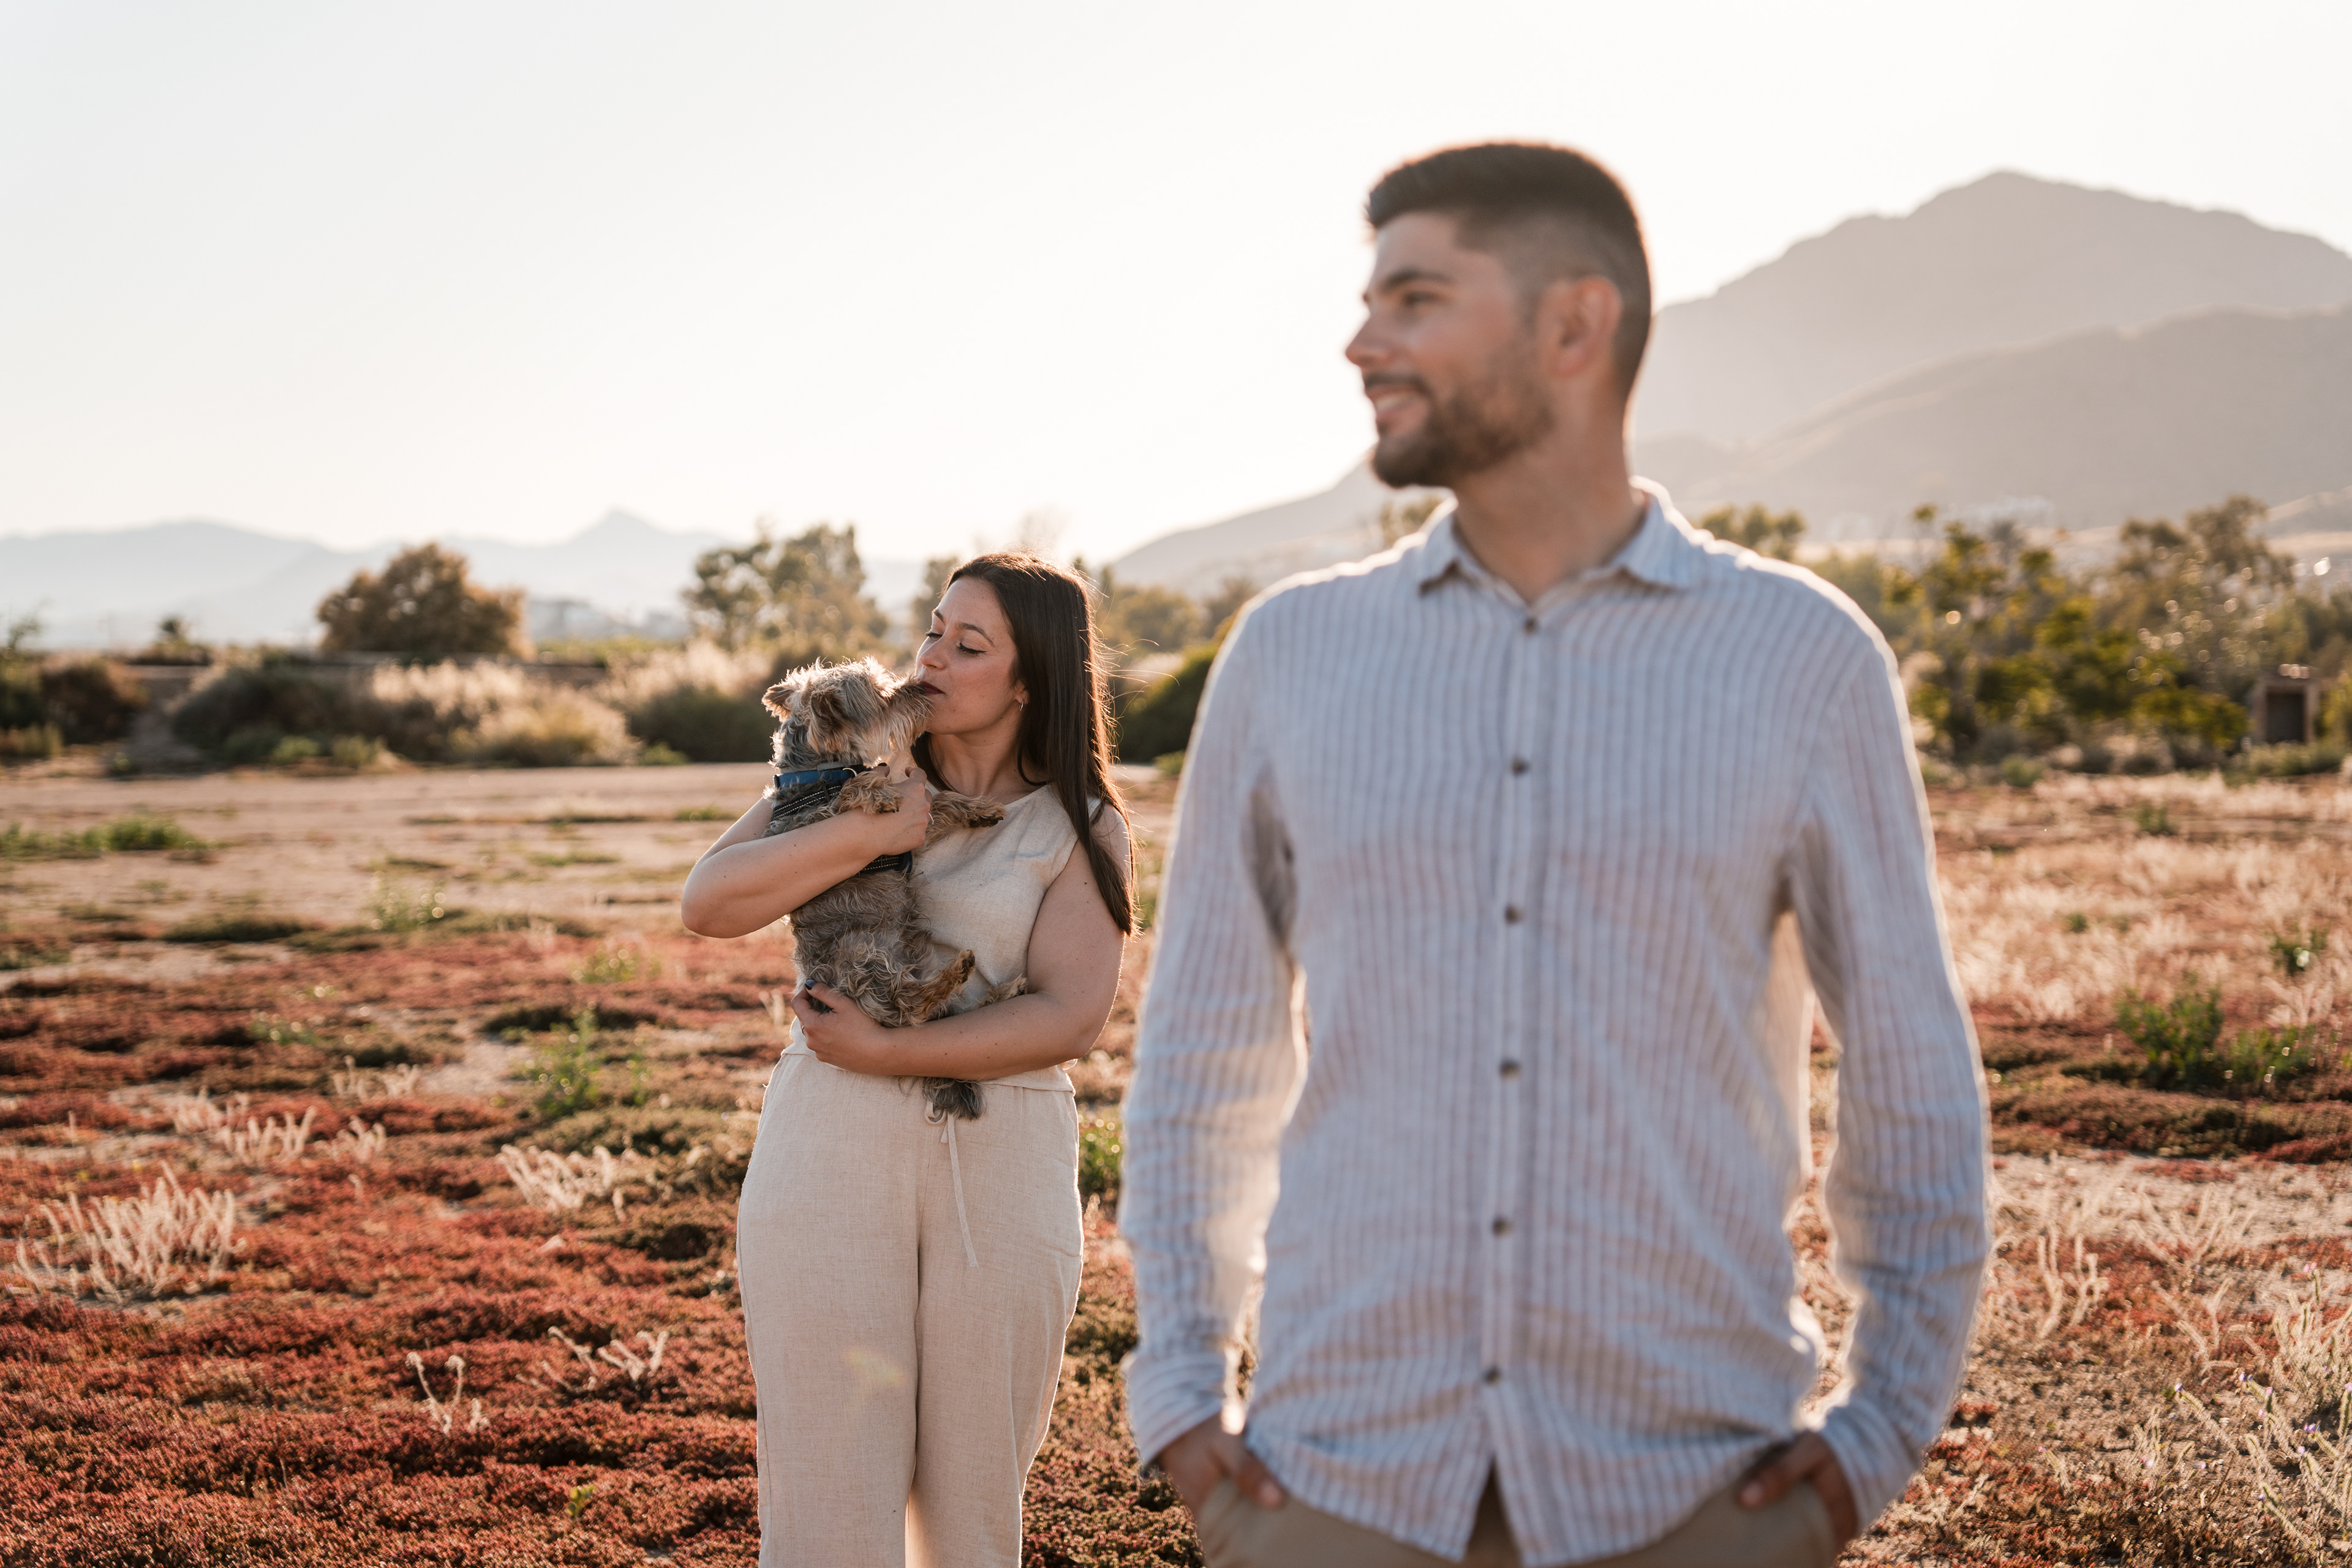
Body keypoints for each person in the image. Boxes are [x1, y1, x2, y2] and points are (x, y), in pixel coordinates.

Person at [1120, 142, 1989, 1568]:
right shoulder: (1290, 657)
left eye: (1415, 297)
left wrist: (1878, 1433)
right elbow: (1203, 1064)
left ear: (1574, 325)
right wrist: (1177, 1397)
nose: (1361, 340)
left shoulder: (1803, 659)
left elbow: (1910, 1075)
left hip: (1696, 1497)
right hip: (1331, 1493)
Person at [680, 552, 1134, 1568]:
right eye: (933, 629)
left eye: (968, 646)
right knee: (827, 1498)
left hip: (1002, 1159)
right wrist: (871, 830)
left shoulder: (1081, 824)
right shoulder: (844, 775)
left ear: (1032, 683)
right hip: (830, 1151)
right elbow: (708, 905)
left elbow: (1070, 1014)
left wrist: (892, 1049)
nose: (931, 657)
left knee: (972, 1513)